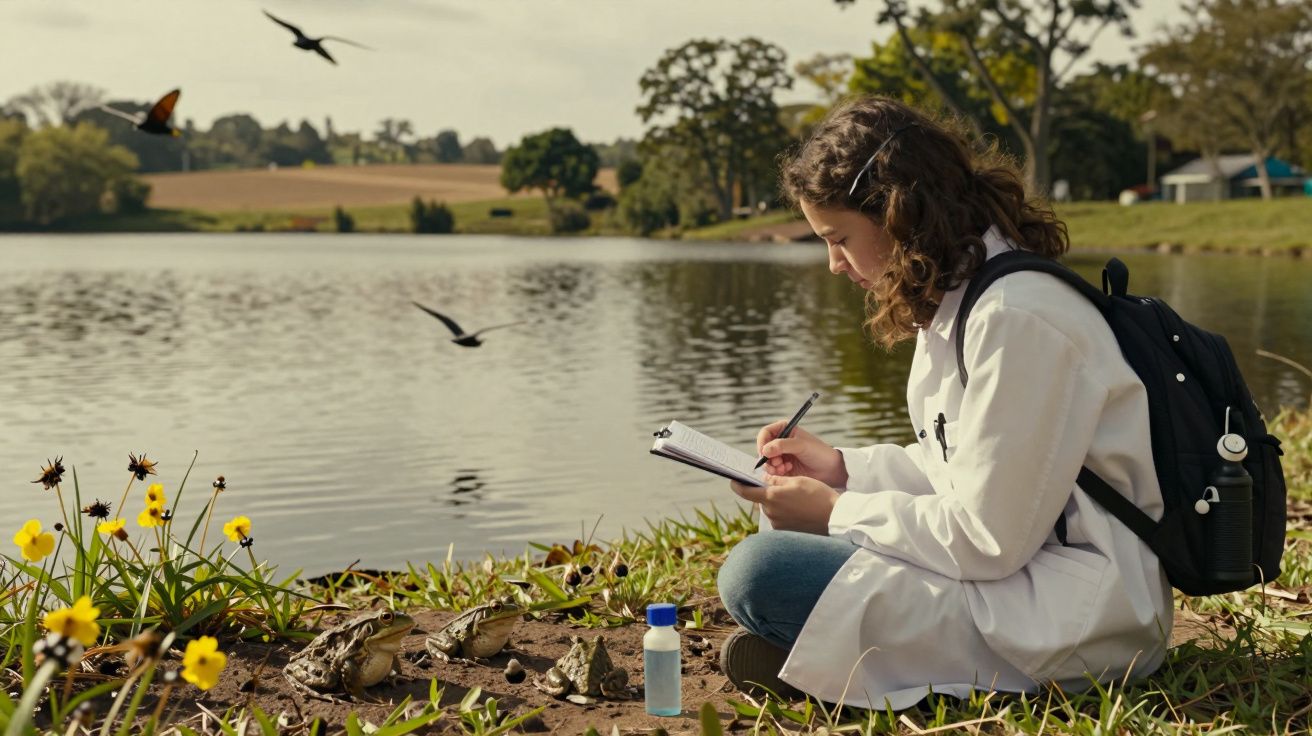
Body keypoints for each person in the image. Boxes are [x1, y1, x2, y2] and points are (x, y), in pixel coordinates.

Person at [715, 96, 1173, 709]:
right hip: (1023, 574)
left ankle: (851, 667)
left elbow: (987, 536)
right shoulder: (968, 298)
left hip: (1078, 613)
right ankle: (843, 664)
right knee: (773, 562)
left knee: (761, 573)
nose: (833, 265)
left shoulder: (1018, 319)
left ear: (899, 213)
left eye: (840, 238)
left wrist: (836, 511)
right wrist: (843, 470)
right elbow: (959, 470)